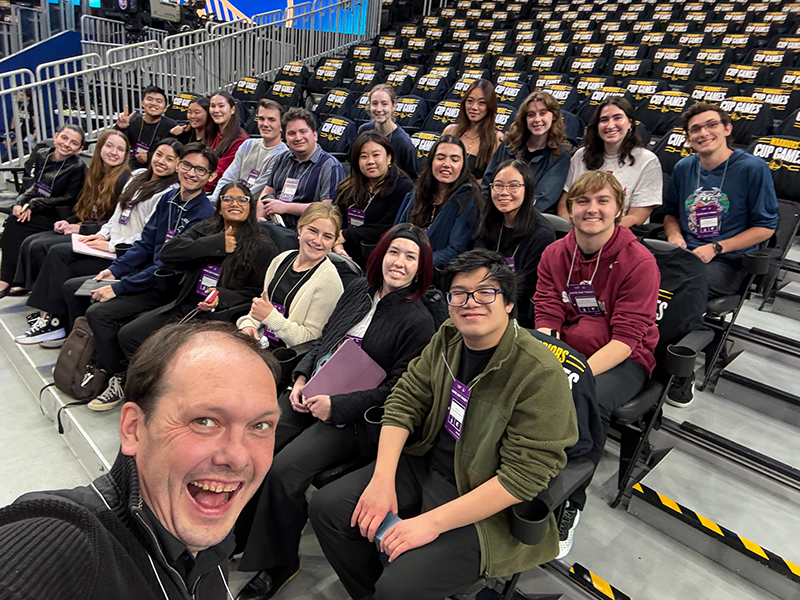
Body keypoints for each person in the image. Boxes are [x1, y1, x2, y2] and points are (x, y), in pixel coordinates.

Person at [308, 249, 578, 600]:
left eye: (485, 292)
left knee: (398, 586)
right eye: (459, 294)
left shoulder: (539, 373)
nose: (471, 303)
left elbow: (521, 478)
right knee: (328, 509)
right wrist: (382, 479)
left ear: (509, 303)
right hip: (429, 463)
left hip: (484, 498)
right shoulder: (449, 336)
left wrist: (429, 524)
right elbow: (404, 399)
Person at [0, 321, 281, 600]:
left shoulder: (208, 544)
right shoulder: (65, 540)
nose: (237, 456)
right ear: (133, 428)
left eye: (260, 426)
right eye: (204, 421)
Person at [235, 224, 437, 600]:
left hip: (355, 418)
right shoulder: (360, 289)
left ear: (421, 269)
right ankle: (239, 534)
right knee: (257, 441)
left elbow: (398, 390)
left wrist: (337, 405)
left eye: (411, 257)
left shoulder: (419, 321)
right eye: (394, 252)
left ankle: (278, 563)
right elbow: (325, 337)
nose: (399, 262)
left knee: (283, 470)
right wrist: (301, 375)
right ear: (382, 254)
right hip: (314, 389)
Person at [534, 171, 659, 538]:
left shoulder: (640, 262)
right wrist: (549, 356)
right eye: (583, 201)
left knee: (586, 400)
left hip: (624, 359)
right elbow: (547, 312)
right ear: (570, 208)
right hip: (568, 348)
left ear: (618, 207)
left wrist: (574, 373)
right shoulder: (555, 253)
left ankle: (570, 500)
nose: (593, 210)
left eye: (603, 201)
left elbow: (626, 340)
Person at [63, 143, 217, 412]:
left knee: (101, 313)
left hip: (168, 286)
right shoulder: (168, 201)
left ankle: (120, 376)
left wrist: (121, 287)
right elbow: (146, 244)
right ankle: (90, 359)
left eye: (200, 170)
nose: (191, 173)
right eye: (187, 165)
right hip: (146, 275)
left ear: (211, 176)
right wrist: (116, 270)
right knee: (78, 289)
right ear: (179, 165)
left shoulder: (204, 215)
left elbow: (169, 266)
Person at [21, 139, 183, 347]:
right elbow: (118, 214)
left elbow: (147, 235)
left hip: (125, 252)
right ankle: (50, 316)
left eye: (169, 159)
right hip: (109, 241)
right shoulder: (136, 176)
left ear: (177, 164)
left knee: (61, 256)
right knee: (55, 250)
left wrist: (112, 245)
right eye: (159, 154)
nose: (161, 161)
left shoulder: (168, 192)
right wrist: (102, 234)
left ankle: (54, 321)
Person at [117, 182, 278, 359]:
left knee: (176, 354)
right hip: (187, 304)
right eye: (228, 199)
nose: (235, 204)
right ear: (218, 207)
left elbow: (257, 294)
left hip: (222, 315)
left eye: (242, 200)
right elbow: (168, 253)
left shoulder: (263, 245)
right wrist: (215, 244)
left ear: (250, 207)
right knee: (129, 335)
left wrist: (221, 296)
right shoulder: (206, 229)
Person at [14, 131, 131, 345]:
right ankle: (47, 312)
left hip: (101, 236)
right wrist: (69, 221)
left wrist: (82, 229)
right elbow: (83, 208)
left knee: (52, 250)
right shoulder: (94, 173)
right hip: (86, 226)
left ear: (126, 154)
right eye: (109, 146)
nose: (113, 152)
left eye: (120, 149)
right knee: (35, 242)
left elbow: (115, 222)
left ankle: (52, 317)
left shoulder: (124, 179)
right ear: (100, 148)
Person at [664, 102, 779, 299]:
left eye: (711, 125)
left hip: (729, 260)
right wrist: (674, 236)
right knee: (638, 273)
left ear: (727, 129)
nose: (703, 133)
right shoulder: (683, 167)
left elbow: (766, 227)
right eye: (695, 129)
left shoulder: (753, 168)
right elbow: (671, 212)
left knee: (685, 286)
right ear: (689, 139)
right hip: (685, 253)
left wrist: (716, 247)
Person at [237, 203, 344, 348]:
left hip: (287, 358)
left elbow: (309, 340)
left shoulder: (329, 282)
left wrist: (271, 317)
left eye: (327, 237)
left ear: (334, 241)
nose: (318, 241)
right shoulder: (281, 260)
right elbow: (261, 309)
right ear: (299, 229)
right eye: (312, 231)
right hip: (262, 344)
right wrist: (248, 326)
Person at [0, 124, 87, 299]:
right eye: (64, 138)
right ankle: (11, 278)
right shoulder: (42, 156)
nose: (67, 144)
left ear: (80, 148)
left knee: (17, 225)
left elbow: (70, 197)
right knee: (14, 221)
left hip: (58, 213)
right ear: (56, 137)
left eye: (74, 143)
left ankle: (10, 279)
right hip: (38, 207)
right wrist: (21, 201)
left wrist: (36, 203)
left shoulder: (77, 167)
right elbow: (35, 185)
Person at [474, 159, 556, 328]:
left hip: (517, 312)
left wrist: (487, 298)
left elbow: (526, 289)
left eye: (513, 186)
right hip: (482, 300)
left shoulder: (542, 234)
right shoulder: (489, 221)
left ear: (528, 190)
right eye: (498, 185)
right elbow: (475, 265)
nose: (504, 192)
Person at [557, 97, 662, 227]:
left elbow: (637, 216)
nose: (610, 125)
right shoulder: (581, 155)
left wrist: (600, 230)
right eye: (604, 120)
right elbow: (565, 204)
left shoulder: (647, 161)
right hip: (577, 230)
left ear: (630, 123)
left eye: (617, 118)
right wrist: (575, 227)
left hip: (620, 232)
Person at [395, 134, 482, 267]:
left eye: (454, 160)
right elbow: (398, 232)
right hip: (406, 264)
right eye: (440, 158)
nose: (447, 164)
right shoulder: (418, 193)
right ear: (431, 162)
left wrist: (417, 263)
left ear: (463, 165)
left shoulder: (468, 198)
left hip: (438, 272)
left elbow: (456, 250)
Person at [332, 131, 414, 265]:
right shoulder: (349, 184)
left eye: (376, 155)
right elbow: (336, 215)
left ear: (389, 158)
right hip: (342, 248)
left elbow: (386, 228)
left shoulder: (403, 187)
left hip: (377, 254)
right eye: (363, 156)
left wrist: (345, 235)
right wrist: (336, 244)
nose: (370, 161)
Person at [482, 91, 572, 214]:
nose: (537, 119)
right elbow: (488, 182)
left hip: (530, 218)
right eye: (531, 115)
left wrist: (512, 215)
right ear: (524, 119)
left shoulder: (561, 154)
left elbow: (544, 197)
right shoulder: (509, 144)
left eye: (543, 113)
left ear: (554, 116)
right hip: (495, 212)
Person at [258, 107, 345, 229]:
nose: (298, 138)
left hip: (307, 232)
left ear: (315, 135)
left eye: (303, 132)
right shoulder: (282, 159)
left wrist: (286, 207)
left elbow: (327, 208)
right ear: (286, 139)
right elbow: (267, 192)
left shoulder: (330, 165)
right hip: (274, 226)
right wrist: (260, 218)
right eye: (291, 134)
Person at [210, 99, 289, 202]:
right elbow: (229, 177)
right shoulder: (248, 144)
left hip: (251, 205)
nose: (265, 124)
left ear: (281, 126)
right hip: (230, 200)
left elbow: (257, 190)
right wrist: (215, 200)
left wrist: (230, 201)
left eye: (271, 120)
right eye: (261, 119)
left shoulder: (283, 155)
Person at [442, 78, 503, 181]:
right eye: (470, 101)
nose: (474, 107)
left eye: (481, 103)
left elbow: (493, 180)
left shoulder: (497, 139)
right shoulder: (450, 131)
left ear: (490, 106)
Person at [357, 84, 419, 179]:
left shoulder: (404, 144)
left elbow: (412, 180)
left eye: (384, 104)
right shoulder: (364, 130)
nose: (378, 109)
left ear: (394, 106)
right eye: (374, 104)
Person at [115, 85, 177, 170]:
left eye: (159, 101)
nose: (154, 103)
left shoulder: (170, 126)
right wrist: (120, 127)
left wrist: (149, 157)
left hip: (156, 168)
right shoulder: (133, 120)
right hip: (130, 165)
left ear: (165, 108)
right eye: (149, 99)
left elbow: (174, 154)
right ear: (142, 103)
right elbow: (115, 142)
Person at [206, 91, 249, 192]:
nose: (216, 110)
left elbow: (220, 172)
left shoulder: (240, 140)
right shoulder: (216, 133)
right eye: (213, 106)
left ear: (232, 109)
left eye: (221, 106)